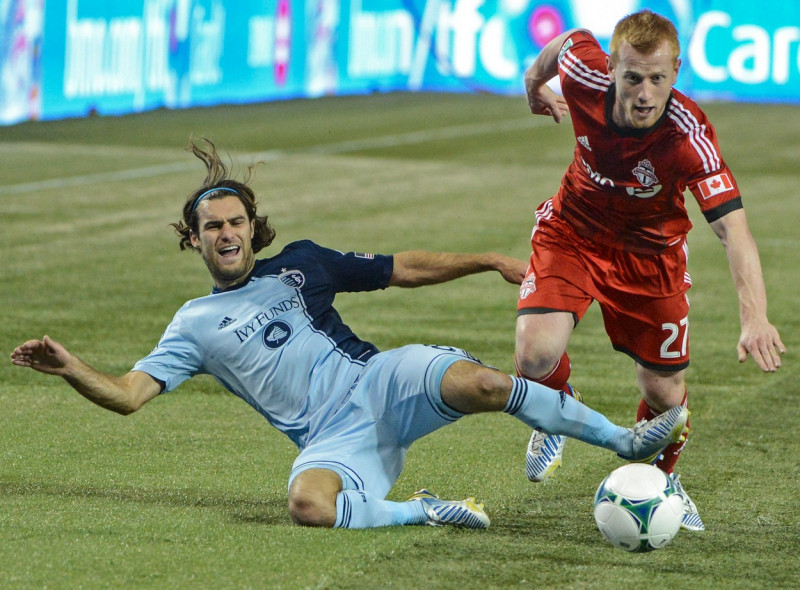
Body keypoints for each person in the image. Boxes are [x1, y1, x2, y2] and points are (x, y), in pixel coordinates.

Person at [11, 139, 690, 530]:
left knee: (484, 381)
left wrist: (485, 260)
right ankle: (420, 511)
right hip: (330, 439)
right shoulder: (191, 325)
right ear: (192, 241)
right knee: (308, 506)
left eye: (234, 222)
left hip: (381, 380)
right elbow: (130, 395)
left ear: (252, 227)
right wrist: (72, 367)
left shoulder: (303, 264)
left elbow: (402, 269)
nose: (225, 233)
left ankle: (623, 440)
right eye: (211, 227)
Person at [516, 9, 785, 532]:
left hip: (651, 258)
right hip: (574, 231)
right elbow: (568, 41)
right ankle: (557, 412)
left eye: (657, 79)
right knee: (534, 351)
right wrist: (533, 85)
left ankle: (663, 481)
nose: (644, 93)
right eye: (633, 77)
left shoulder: (688, 135)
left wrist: (755, 317)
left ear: (676, 73)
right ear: (612, 68)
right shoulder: (583, 74)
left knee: (665, 397)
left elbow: (735, 231)